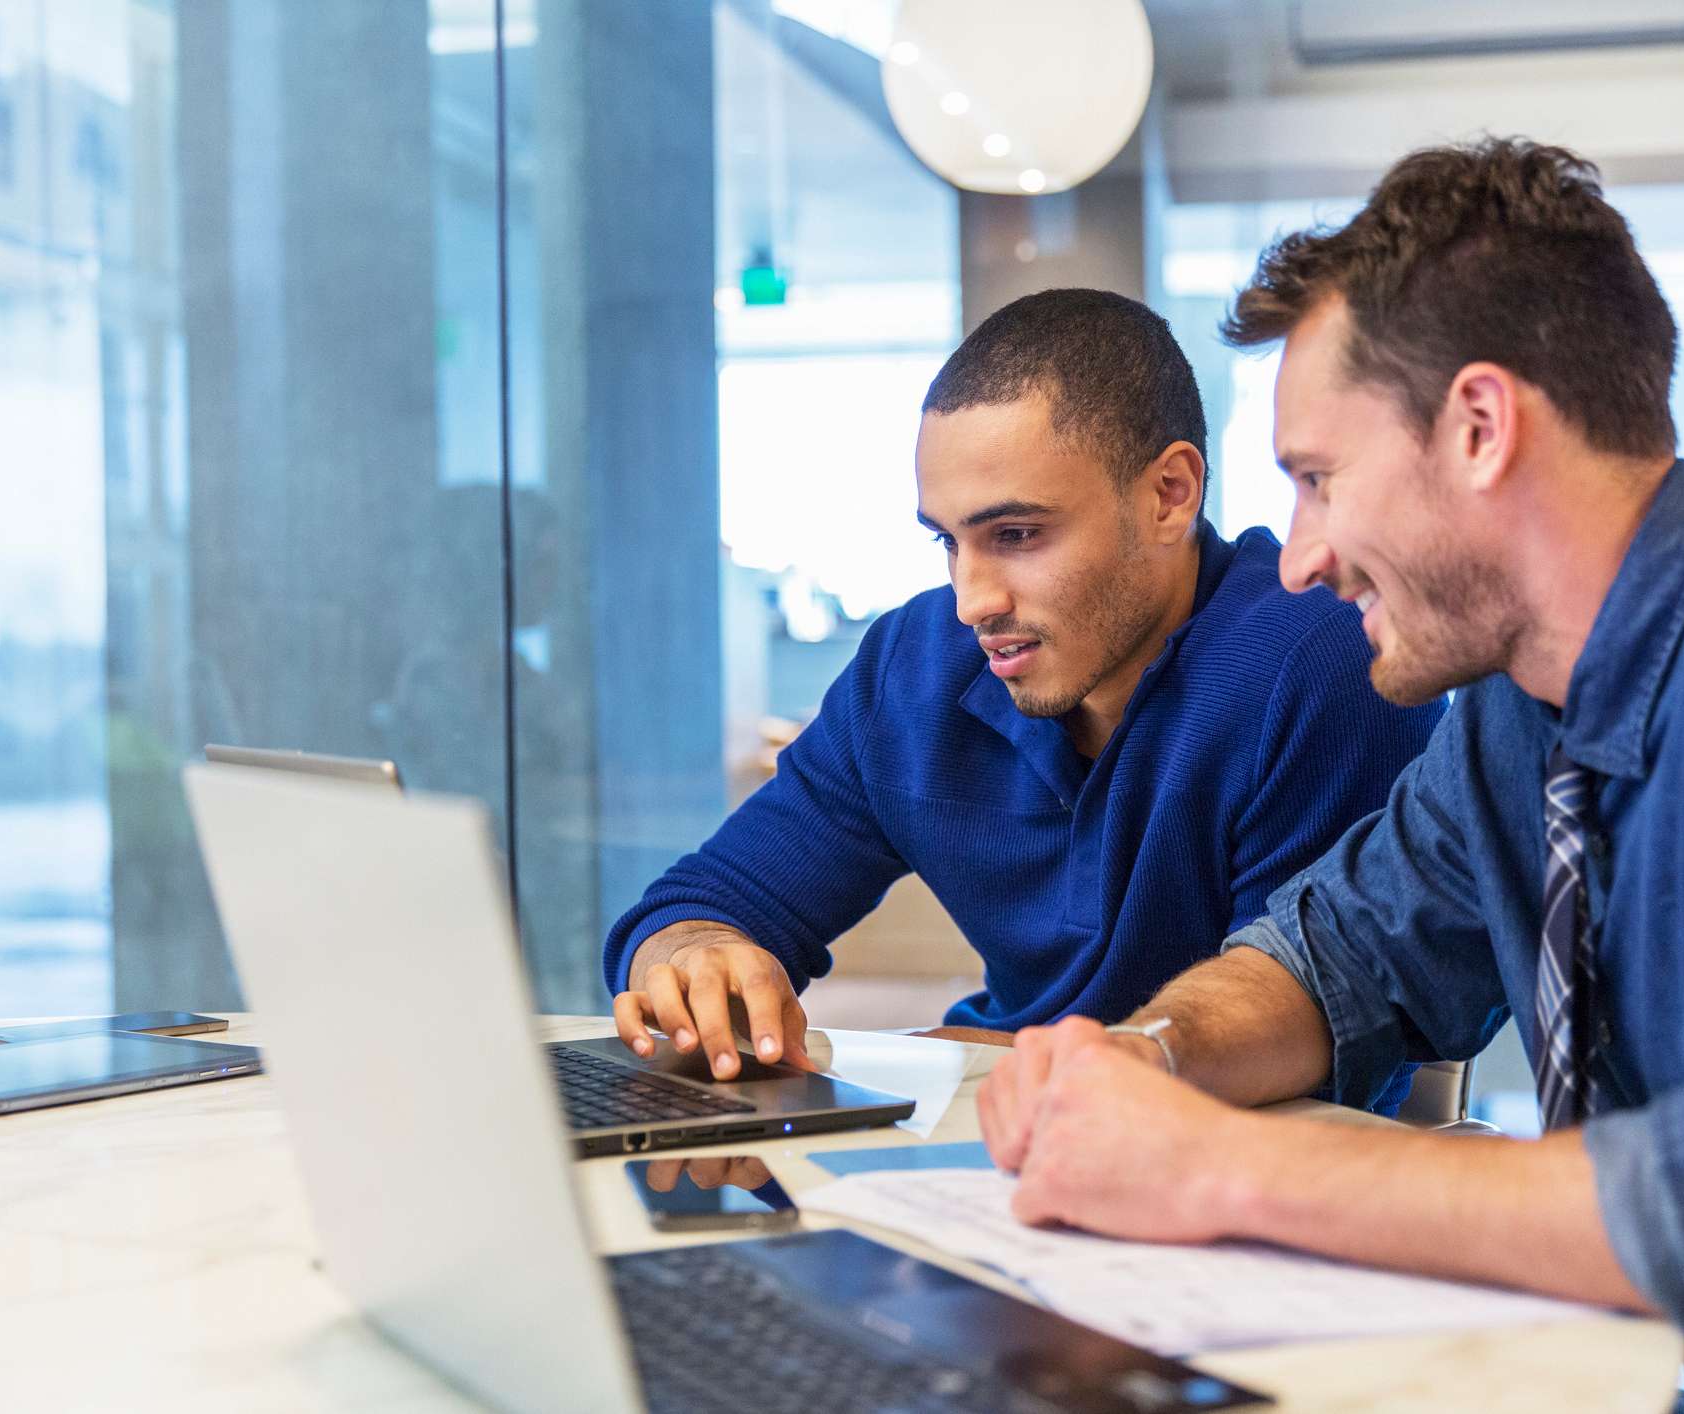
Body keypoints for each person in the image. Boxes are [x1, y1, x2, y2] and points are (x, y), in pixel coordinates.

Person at [978, 139, 1684, 1411]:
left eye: (1320, 481)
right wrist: (1144, 1060)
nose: (1298, 559)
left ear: (1482, 428)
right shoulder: (1514, 715)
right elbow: (1338, 960)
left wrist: (1221, 1171)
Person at [604, 289, 1444, 1088]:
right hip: (988, 1124)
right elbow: (702, 903)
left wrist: (1016, 1062)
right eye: (948, 542)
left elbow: (1316, 1020)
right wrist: (693, 957)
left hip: (1225, 1173)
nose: (973, 601)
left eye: (1015, 534)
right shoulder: (915, 665)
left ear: (1168, 494)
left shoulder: (1323, 661)